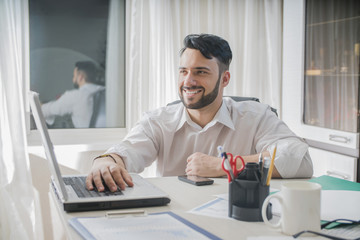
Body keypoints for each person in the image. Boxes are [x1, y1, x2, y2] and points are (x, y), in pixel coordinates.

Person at [86, 34, 313, 192]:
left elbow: (298, 159)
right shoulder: (158, 120)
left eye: (200, 72)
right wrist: (105, 161)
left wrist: (224, 166)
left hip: (239, 219)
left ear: (225, 79)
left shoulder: (256, 115)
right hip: (175, 220)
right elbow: (127, 151)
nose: (188, 81)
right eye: (183, 71)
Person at [41, 61, 105, 128]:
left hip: (85, 137)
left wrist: (40, 104)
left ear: (80, 77)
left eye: (74, 76)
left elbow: (45, 111)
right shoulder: (105, 91)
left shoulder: (76, 96)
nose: (73, 79)